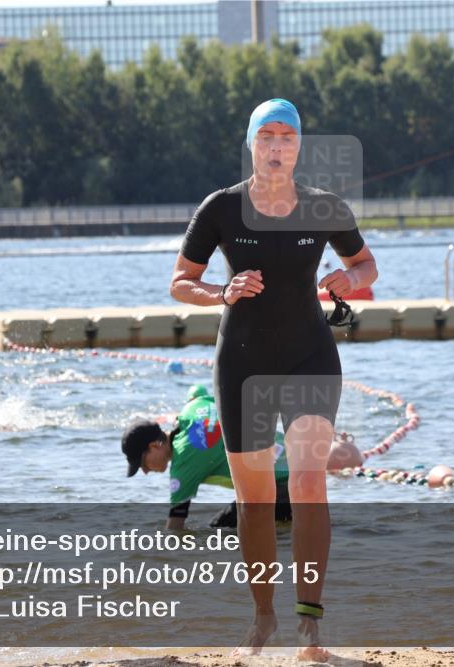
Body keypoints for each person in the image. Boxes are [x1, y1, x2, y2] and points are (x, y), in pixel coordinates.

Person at [169, 98, 377, 661]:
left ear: (299, 146)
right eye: (267, 136)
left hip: (311, 355)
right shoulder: (221, 208)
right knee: (255, 498)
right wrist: (222, 292)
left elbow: (367, 265)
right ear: (252, 144)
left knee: (309, 484)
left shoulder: (324, 206)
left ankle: (310, 623)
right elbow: (180, 282)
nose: (277, 146)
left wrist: (348, 279)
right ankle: (263, 618)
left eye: (287, 136)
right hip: (241, 360)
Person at [122, 385, 292, 530]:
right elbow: (198, 391)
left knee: (220, 530)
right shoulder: (192, 408)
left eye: (142, 463)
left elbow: (175, 526)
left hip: (286, 488)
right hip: (302, 463)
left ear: (154, 446)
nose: (144, 471)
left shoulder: (183, 464)